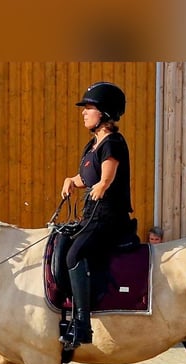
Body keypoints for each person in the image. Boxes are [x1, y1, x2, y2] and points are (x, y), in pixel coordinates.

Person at [59, 81, 133, 350]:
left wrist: (102, 185)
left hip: (108, 216)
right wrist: (72, 180)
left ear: (104, 112)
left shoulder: (113, 142)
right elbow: (87, 177)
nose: (83, 112)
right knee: (61, 243)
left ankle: (82, 324)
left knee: (74, 254)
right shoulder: (92, 145)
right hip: (91, 213)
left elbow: (107, 175)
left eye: (88, 108)